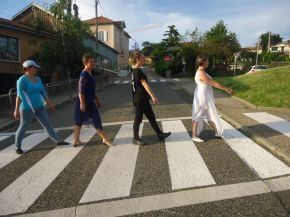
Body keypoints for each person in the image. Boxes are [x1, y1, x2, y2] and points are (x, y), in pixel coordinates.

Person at [14, 60, 69, 155]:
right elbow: (19, 95)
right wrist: (16, 110)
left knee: (47, 124)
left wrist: (50, 103)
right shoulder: (22, 80)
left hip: (40, 107)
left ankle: (58, 141)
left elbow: (43, 92)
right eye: (34, 67)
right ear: (28, 68)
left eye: (36, 67)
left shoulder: (38, 79)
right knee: (23, 127)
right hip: (27, 108)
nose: (36, 69)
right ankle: (17, 146)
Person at [131, 51, 171, 145]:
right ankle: (135, 138)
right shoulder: (137, 71)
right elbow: (144, 84)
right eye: (143, 58)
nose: (144, 59)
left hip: (142, 98)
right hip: (140, 98)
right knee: (138, 118)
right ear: (137, 59)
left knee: (151, 117)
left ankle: (159, 134)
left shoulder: (136, 70)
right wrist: (154, 96)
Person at [192, 55, 234, 143]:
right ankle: (194, 136)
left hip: (205, 95)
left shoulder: (202, 71)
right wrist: (226, 89)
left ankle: (217, 132)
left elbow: (211, 82)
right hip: (202, 96)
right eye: (207, 61)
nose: (209, 62)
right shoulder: (201, 73)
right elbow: (212, 83)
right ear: (203, 62)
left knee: (210, 113)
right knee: (197, 115)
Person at [73, 53, 113, 147]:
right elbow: (80, 90)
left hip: (89, 100)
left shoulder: (89, 73)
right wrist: (82, 103)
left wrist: (97, 99)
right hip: (85, 101)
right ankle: (105, 139)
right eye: (91, 62)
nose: (93, 63)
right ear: (85, 63)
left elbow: (92, 89)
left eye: (93, 62)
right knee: (95, 120)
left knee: (79, 121)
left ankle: (76, 140)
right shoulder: (84, 74)